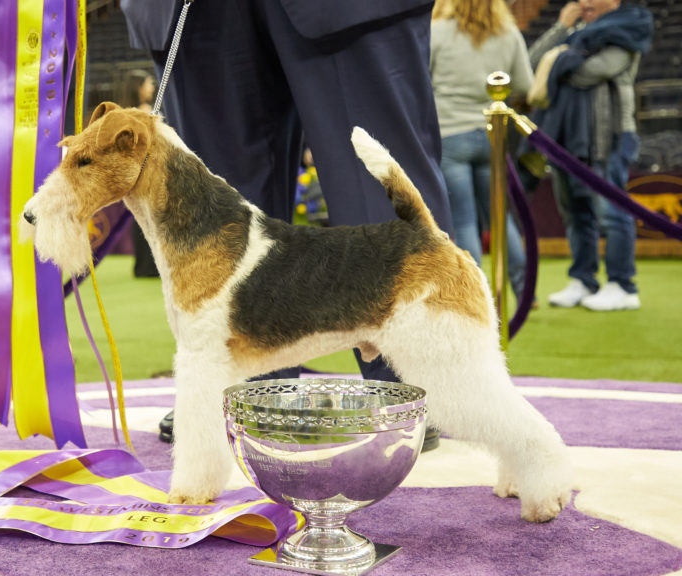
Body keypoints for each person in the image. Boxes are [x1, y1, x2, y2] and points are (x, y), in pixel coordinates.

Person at [122, 0, 454, 450]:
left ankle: (415, 385)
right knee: (216, 202)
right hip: (192, 10)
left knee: (381, 183)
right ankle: (244, 388)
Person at [530, 0, 652, 311]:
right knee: (575, 210)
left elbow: (596, 70)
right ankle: (583, 279)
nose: (583, 2)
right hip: (567, 135)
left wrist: (556, 62)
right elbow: (532, 64)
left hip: (608, 135)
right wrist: (561, 29)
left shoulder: (630, 26)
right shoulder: (576, 32)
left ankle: (622, 285)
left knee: (611, 211)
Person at [430, 0, 532, 300]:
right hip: (493, 137)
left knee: (463, 221)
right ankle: (525, 292)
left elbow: (420, 82)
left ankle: (475, 294)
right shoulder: (509, 33)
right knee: (500, 218)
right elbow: (525, 84)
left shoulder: (436, 31)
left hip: (450, 134)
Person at [121, 68, 159, 278]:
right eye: (148, 83)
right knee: (152, 218)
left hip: (134, 171)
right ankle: (151, 267)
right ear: (139, 88)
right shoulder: (145, 111)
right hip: (149, 170)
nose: (151, 87)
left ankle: (142, 266)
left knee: (139, 218)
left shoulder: (123, 114)